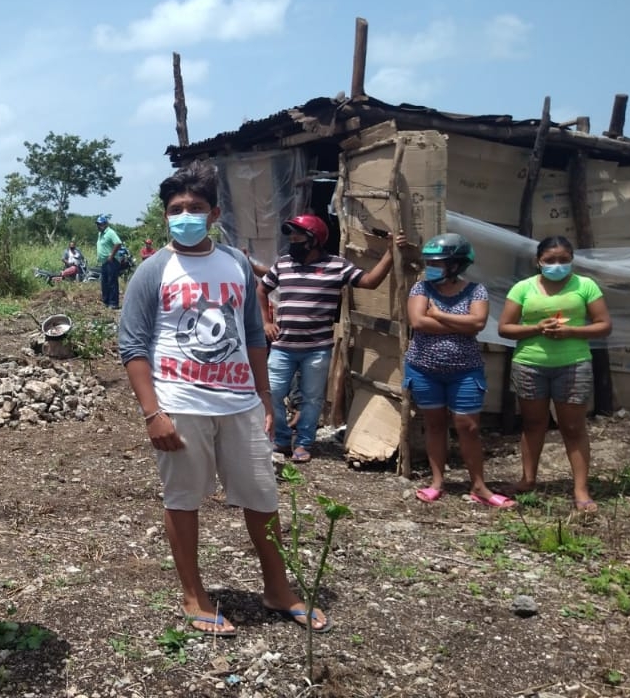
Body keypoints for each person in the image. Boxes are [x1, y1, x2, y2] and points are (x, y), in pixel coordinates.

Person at [118, 162, 329, 638]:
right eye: (176, 210)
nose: (185, 216)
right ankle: (194, 594)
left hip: (239, 404)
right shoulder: (154, 271)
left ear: (214, 213)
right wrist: (153, 412)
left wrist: (264, 397)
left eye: (195, 208)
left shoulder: (235, 262)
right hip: (181, 404)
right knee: (184, 500)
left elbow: (253, 334)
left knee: (263, 498)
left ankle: (277, 588)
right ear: (165, 215)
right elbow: (132, 346)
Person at [261, 214, 404, 463]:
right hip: (283, 346)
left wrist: (390, 254)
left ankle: (304, 443)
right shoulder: (282, 264)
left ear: (315, 239)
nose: (292, 240)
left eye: (298, 236)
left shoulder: (337, 266)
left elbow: (369, 282)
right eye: (291, 236)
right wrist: (266, 322)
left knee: (312, 397)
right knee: (272, 392)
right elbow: (262, 289)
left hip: (317, 348)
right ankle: (281, 439)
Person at [497, 236, 612, 513]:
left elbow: (604, 325)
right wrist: (536, 328)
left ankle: (581, 490)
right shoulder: (522, 288)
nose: (557, 265)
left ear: (572, 259)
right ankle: (528, 480)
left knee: (572, 427)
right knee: (533, 424)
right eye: (550, 260)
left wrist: (572, 331)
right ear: (538, 261)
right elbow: (505, 328)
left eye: (563, 259)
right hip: (529, 363)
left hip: (573, 364)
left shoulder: (585, 286)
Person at [404, 234, 511, 507]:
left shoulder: (477, 290)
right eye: (431, 261)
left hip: (465, 370)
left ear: (456, 264)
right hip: (424, 369)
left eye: (438, 262)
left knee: (469, 426)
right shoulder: (420, 289)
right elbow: (418, 322)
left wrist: (439, 316)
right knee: (435, 424)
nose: (432, 266)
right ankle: (437, 482)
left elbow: (477, 323)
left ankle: (479, 486)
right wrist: (459, 323)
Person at [95, 214, 123, 308]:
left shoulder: (110, 232)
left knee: (112, 282)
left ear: (105, 224)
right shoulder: (100, 234)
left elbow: (118, 243)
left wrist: (111, 255)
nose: (99, 226)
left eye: (100, 224)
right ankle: (106, 301)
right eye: (98, 224)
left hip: (111, 261)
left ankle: (113, 303)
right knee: (105, 282)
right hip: (104, 262)